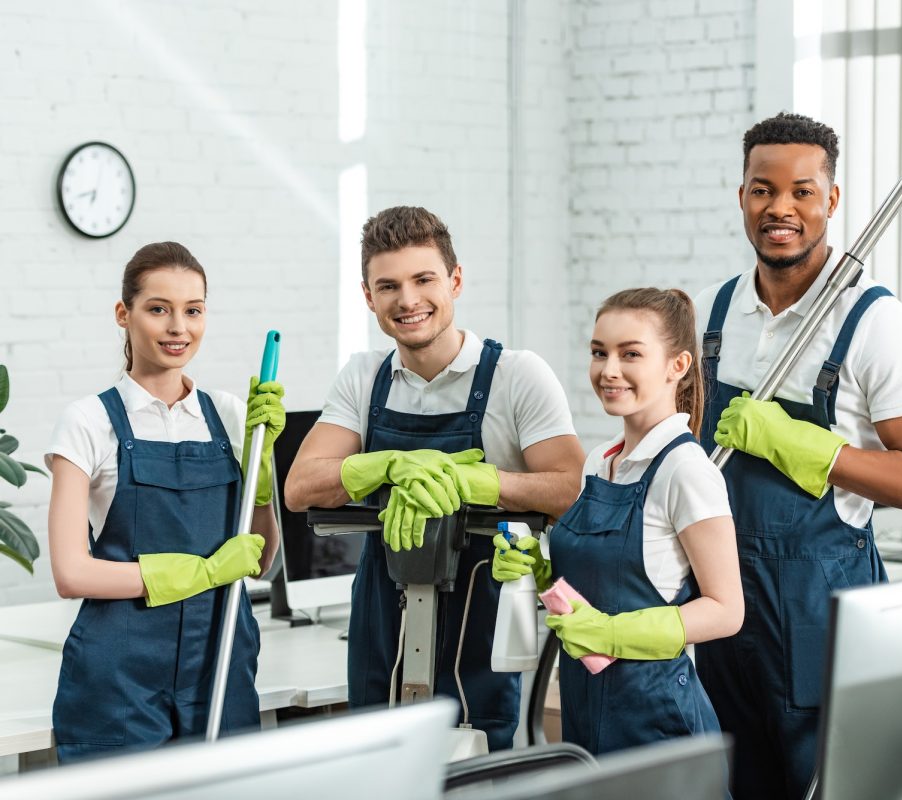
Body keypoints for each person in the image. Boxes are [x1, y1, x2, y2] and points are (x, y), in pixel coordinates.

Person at [693, 112, 902, 799]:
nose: (781, 208)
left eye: (803, 191)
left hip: (823, 621)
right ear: (742, 194)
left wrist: (808, 447)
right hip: (728, 617)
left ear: (831, 201)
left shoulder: (873, 322)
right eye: (763, 189)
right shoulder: (719, 313)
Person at [284, 206, 584, 750]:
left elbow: (570, 489)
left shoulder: (516, 376)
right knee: (375, 761)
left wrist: (476, 484)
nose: (407, 300)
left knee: (474, 762)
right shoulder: (364, 376)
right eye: (388, 285)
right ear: (368, 296)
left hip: (483, 607)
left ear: (455, 280)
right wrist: (391, 465)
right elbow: (301, 485)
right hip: (382, 605)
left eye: (423, 279)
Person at [46, 242, 286, 763]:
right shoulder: (88, 421)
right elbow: (70, 573)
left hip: (221, 663)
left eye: (193, 310)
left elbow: (260, 563)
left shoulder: (229, 413)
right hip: (118, 682)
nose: (179, 327)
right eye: (159, 309)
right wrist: (197, 573)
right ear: (123, 313)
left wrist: (262, 478)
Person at [493, 287, 744, 757]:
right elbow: (597, 584)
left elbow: (726, 610)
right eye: (598, 352)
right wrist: (541, 570)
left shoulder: (686, 470)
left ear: (678, 366)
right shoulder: (599, 462)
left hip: (656, 722)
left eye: (630, 354)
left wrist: (614, 635)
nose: (609, 370)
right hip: (587, 712)